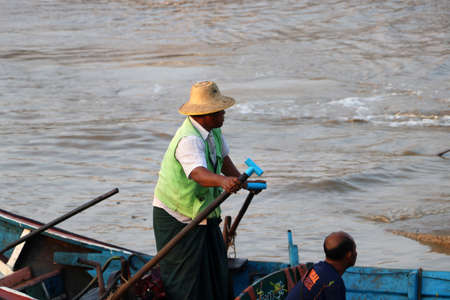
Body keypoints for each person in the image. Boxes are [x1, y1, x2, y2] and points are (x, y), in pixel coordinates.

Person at [152, 81, 250, 300]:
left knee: (216, 269)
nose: (224, 113)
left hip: (203, 212)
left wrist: (241, 181)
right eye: (219, 111)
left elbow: (224, 160)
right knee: (186, 280)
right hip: (177, 216)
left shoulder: (213, 131)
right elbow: (198, 173)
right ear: (204, 114)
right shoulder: (189, 139)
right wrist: (223, 182)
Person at [286, 231, 357, 300]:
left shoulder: (317, 267)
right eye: (355, 249)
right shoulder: (333, 283)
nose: (356, 253)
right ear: (349, 255)